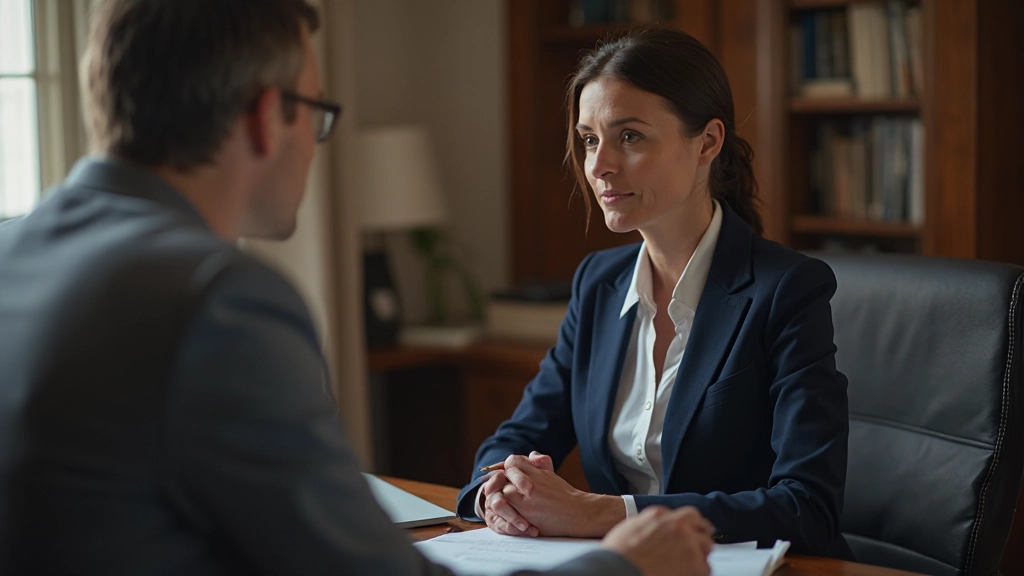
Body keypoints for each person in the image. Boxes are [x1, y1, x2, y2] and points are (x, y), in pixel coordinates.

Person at [0, 2, 715, 575]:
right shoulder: (219, 298)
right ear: (262, 115)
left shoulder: (13, 252)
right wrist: (621, 565)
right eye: (315, 112)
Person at [457, 28, 855, 559]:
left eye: (630, 136)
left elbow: (808, 508)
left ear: (707, 143)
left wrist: (598, 512)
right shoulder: (598, 284)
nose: (598, 166)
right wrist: (498, 492)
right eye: (590, 139)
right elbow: (521, 435)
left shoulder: (787, 291)